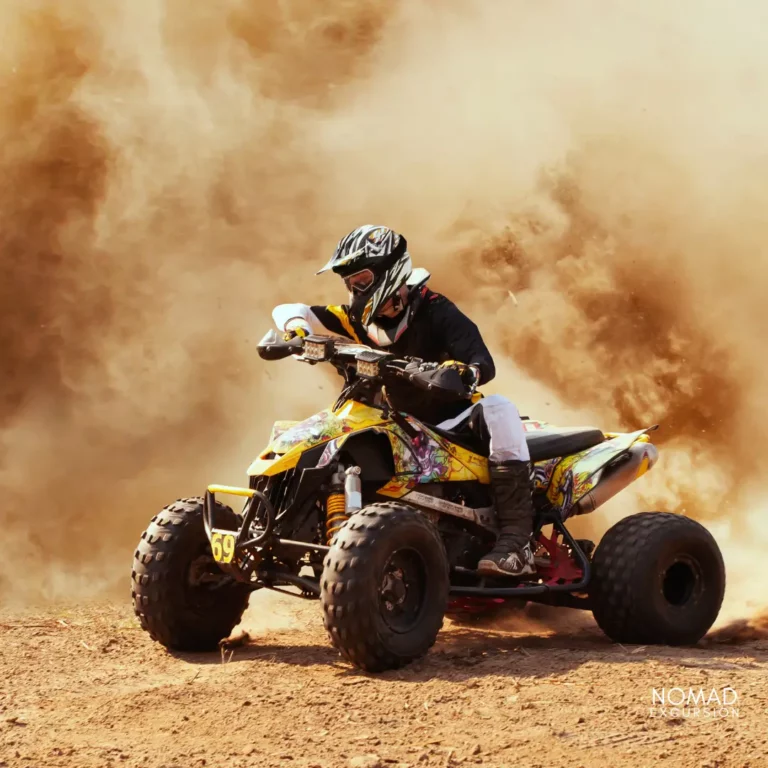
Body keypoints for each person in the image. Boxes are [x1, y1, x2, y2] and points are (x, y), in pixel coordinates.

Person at [272, 225, 535, 577]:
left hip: (452, 425)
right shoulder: (358, 319)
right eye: (349, 283)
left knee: (500, 407)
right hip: (397, 425)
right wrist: (296, 329)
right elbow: (293, 308)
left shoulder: (437, 310)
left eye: (361, 279)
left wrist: (461, 372)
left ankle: (518, 541)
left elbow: (482, 363)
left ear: (389, 271)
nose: (355, 289)